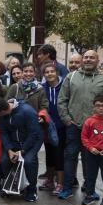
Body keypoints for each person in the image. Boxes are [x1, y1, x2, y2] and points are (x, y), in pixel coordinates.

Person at [57, 50, 103, 200]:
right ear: (82, 60)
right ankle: (67, 187)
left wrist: (102, 122)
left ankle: (89, 189)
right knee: (70, 156)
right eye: (86, 57)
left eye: (92, 57)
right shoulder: (71, 77)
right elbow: (62, 100)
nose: (88, 60)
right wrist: (66, 119)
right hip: (73, 125)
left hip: (95, 129)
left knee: (90, 159)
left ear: (97, 60)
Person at [0, 96, 42, 202]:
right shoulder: (2, 116)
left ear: (4, 110)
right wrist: (9, 149)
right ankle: (10, 186)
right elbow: (4, 133)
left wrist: (23, 150)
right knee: (5, 161)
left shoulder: (27, 111)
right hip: (14, 144)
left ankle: (32, 189)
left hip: (31, 143)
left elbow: (34, 133)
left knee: (28, 161)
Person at [41, 62, 66, 194]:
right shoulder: (42, 87)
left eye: (52, 71)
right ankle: (50, 180)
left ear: (57, 73)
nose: (49, 74)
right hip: (47, 125)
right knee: (49, 153)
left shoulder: (64, 86)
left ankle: (60, 183)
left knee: (59, 154)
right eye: (47, 72)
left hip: (61, 125)